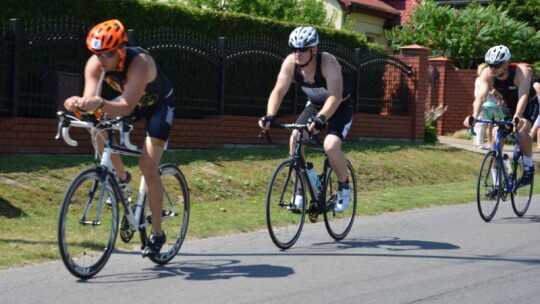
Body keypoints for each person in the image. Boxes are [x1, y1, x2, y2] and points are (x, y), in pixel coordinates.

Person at [64, 19, 175, 257]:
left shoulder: (140, 63)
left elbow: (124, 107)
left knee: (148, 165)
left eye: (107, 54)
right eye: (97, 54)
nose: (101, 59)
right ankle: (122, 178)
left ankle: (157, 233)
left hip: (159, 106)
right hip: (132, 103)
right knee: (96, 128)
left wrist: (100, 103)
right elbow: (90, 105)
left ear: (121, 50)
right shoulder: (95, 65)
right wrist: (76, 104)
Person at [258, 26, 353, 212]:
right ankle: (299, 191)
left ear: (314, 49)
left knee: (330, 146)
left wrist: (321, 119)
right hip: (314, 106)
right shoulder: (290, 63)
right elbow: (278, 90)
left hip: (339, 108)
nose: (297, 53)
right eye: (294, 49)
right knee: (295, 139)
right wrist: (269, 115)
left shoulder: (328, 62)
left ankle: (344, 185)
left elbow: (334, 97)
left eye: (302, 49)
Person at [464, 45, 538, 187]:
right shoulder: (487, 74)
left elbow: (523, 96)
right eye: (490, 65)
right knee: (495, 139)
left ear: (505, 64)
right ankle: (496, 184)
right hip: (508, 106)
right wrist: (473, 115)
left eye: (496, 65)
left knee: (521, 130)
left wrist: (517, 117)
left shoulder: (522, 72)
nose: (492, 68)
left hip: (528, 105)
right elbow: (480, 96)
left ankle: (529, 167)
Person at [473, 63, 494, 150]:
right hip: (484, 103)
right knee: (482, 123)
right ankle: (479, 143)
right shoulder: (482, 80)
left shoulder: (478, 79)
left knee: (481, 123)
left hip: (482, 102)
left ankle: (477, 142)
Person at [529, 73, 540, 150]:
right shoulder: (537, 85)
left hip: (535, 107)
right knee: (535, 127)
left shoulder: (534, 84)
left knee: (537, 127)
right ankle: (527, 144)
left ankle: (538, 145)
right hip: (537, 107)